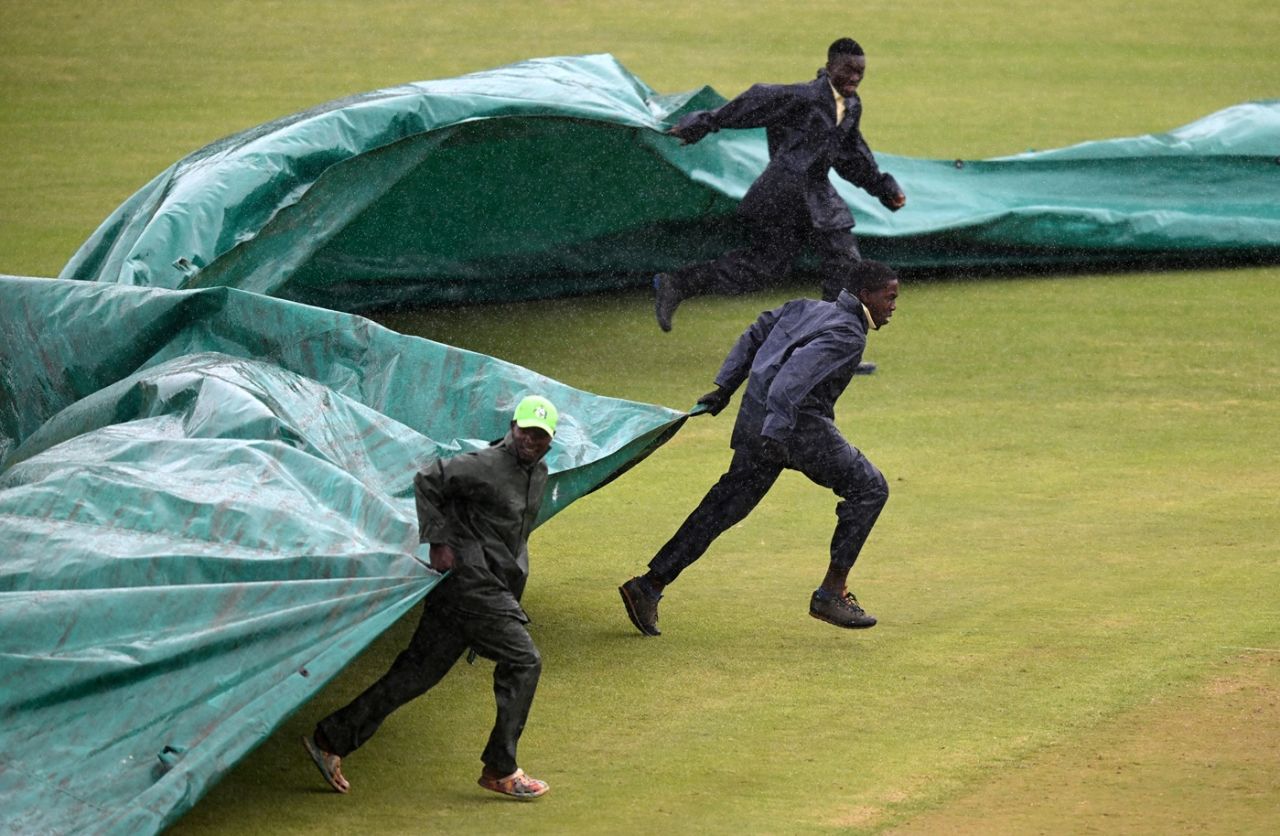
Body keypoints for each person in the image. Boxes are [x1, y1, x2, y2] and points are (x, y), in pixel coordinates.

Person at [620, 260, 900, 636]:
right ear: (866, 295)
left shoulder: (806, 308)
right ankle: (831, 594)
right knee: (871, 488)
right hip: (795, 430)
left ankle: (648, 585)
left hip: (759, 423)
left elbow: (756, 333)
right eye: (889, 297)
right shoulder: (848, 333)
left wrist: (724, 387)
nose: (893, 306)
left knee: (723, 507)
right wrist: (776, 434)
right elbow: (789, 381)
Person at [302, 395, 560, 801]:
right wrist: (438, 542)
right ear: (512, 427)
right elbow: (428, 479)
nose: (531, 440)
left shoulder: (539, 473)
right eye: (525, 431)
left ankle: (330, 739)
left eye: (540, 435)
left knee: (416, 674)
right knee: (525, 661)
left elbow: (510, 537)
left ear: (550, 440)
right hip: (471, 586)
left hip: (477, 589)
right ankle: (500, 768)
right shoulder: (485, 464)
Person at [654, 36, 906, 376]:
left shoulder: (851, 106)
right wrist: (707, 121)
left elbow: (851, 155)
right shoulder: (803, 96)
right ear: (829, 66)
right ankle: (679, 284)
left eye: (860, 72)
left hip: (816, 194)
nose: (854, 78)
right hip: (783, 192)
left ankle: (831, 348)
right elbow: (757, 99)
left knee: (839, 264)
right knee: (769, 267)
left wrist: (882, 187)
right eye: (848, 70)